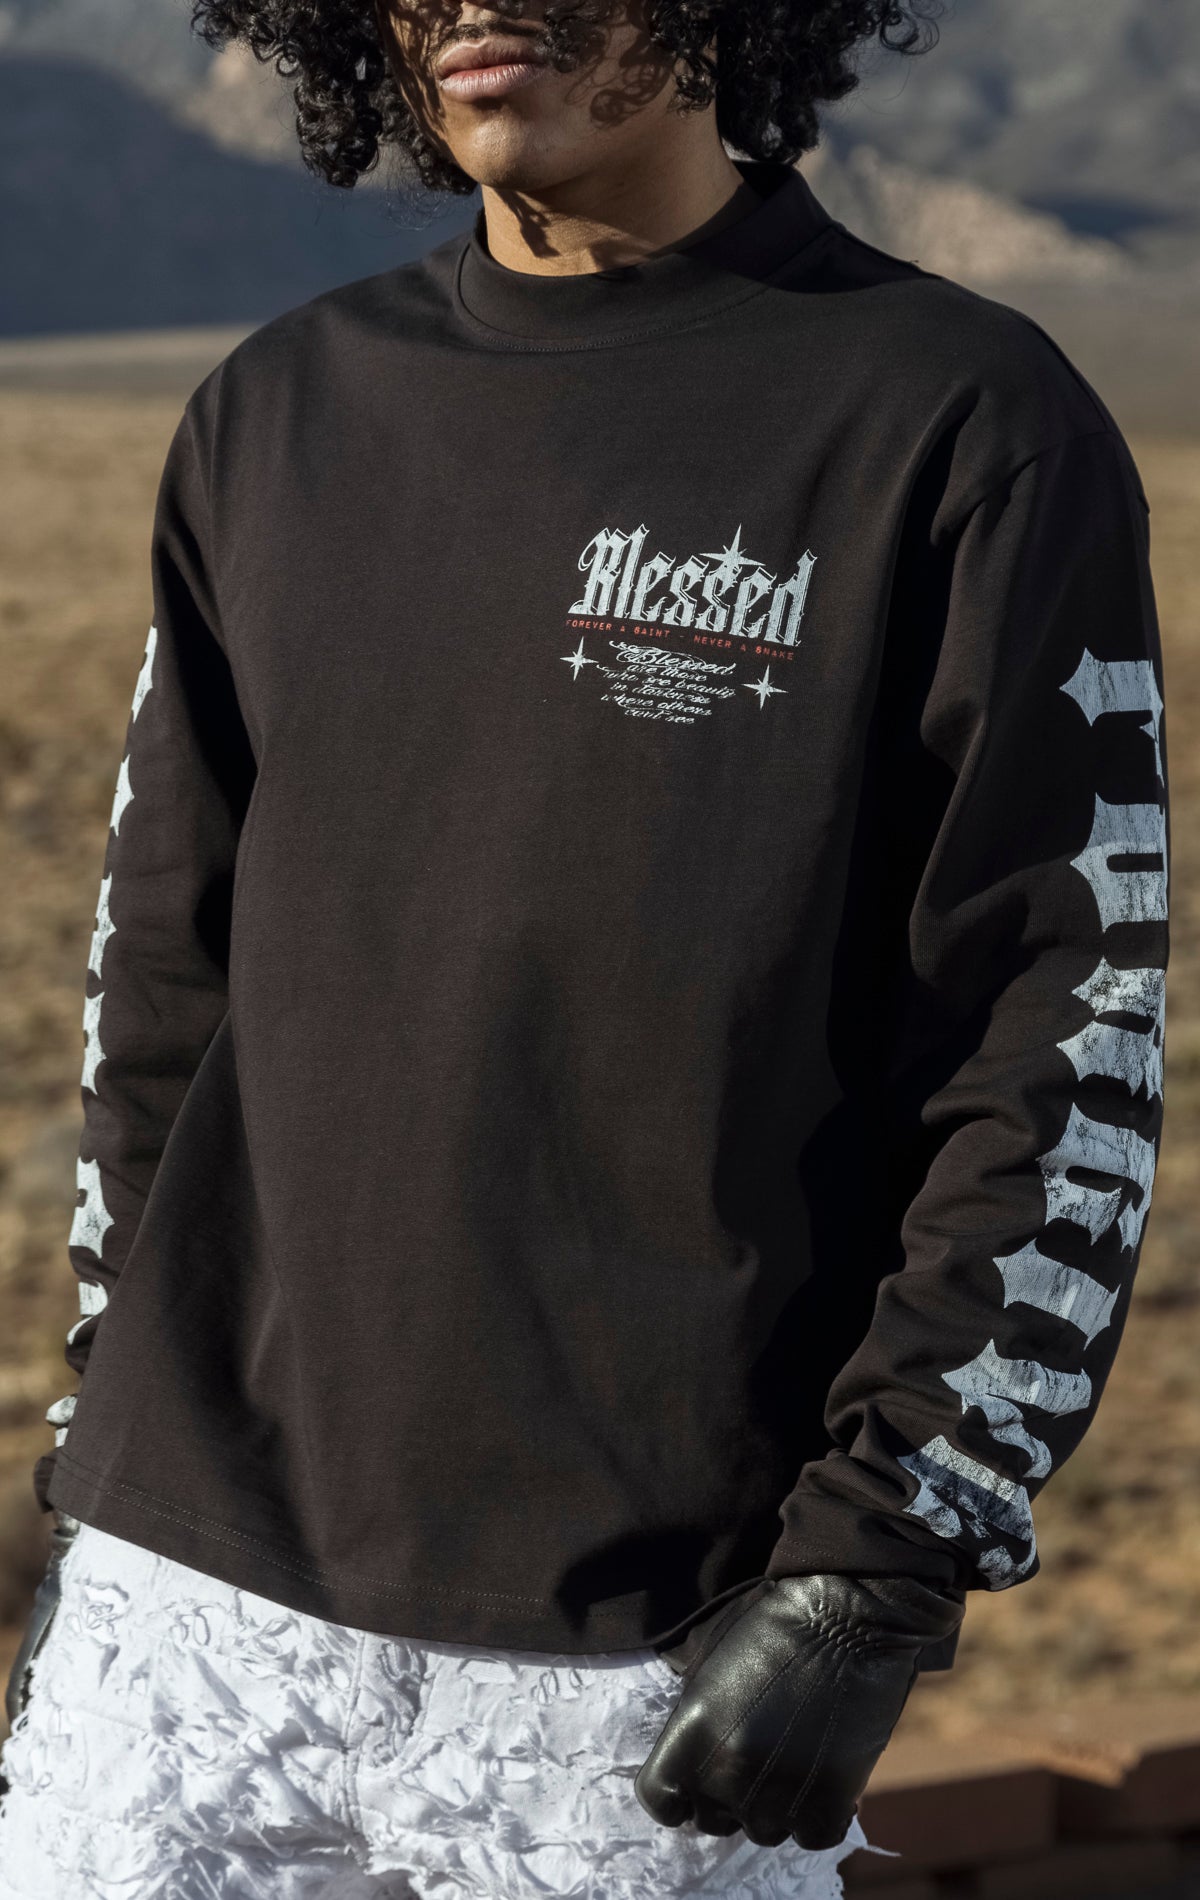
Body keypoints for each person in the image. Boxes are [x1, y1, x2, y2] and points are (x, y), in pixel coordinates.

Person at [0, 0, 1170, 1894]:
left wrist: (883, 1560)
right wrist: (94, 1469)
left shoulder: (960, 421)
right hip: (185, 1625)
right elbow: (159, 1003)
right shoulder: (276, 412)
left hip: (631, 1664)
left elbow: (1060, 1032)